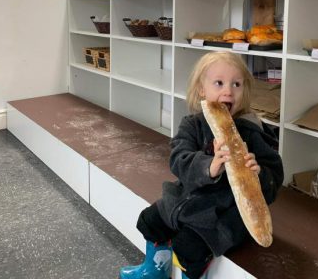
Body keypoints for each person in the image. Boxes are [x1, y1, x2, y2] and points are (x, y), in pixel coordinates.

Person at [119, 51, 284, 279]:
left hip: (220, 214)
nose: (228, 90)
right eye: (219, 83)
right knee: (149, 220)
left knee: (189, 246)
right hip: (183, 199)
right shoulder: (192, 125)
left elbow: (275, 175)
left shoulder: (251, 131)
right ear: (201, 90)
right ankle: (155, 269)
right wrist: (210, 166)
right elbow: (178, 159)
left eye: (236, 84)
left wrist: (260, 174)